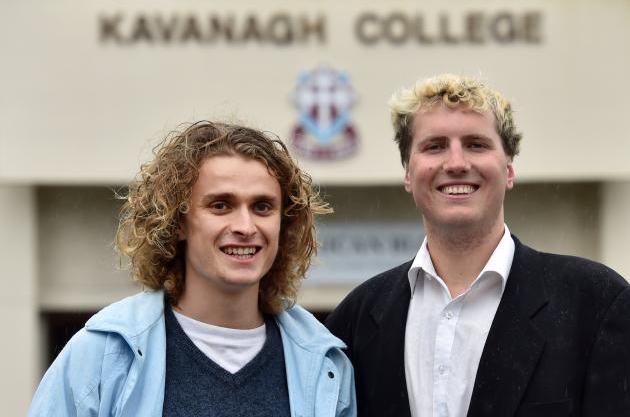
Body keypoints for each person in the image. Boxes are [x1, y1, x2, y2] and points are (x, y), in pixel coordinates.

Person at [326, 74, 630, 417]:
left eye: (476, 144)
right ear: (408, 174)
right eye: (435, 146)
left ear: (509, 169)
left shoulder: (597, 303)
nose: (456, 163)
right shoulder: (355, 320)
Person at [29, 121, 356, 417]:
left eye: (262, 206)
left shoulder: (325, 364)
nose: (245, 225)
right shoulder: (103, 355)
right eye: (221, 205)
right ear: (178, 223)